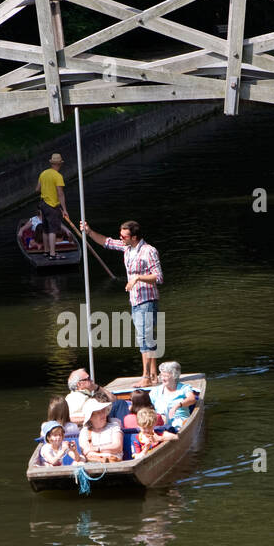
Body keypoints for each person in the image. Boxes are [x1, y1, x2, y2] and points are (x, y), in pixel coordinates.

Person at [79, 219, 164, 385]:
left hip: (147, 299)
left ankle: (146, 377)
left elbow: (158, 277)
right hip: (135, 300)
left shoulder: (148, 251)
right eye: (121, 235)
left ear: (134, 237)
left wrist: (138, 278)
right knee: (147, 338)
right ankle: (153, 375)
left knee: (144, 339)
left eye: (124, 236)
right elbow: (107, 242)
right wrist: (89, 232)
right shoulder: (127, 247)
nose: (121, 238)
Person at [34, 153, 71, 259]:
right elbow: (60, 194)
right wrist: (64, 210)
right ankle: (53, 254)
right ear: (59, 164)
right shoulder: (58, 176)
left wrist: (47, 189)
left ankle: (46, 251)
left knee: (45, 229)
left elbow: (37, 189)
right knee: (52, 230)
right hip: (52, 206)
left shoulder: (43, 173)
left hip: (43, 204)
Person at [150, 360, 198, 432]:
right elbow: (147, 406)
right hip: (160, 424)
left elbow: (192, 399)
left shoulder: (184, 388)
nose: (162, 378)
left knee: (176, 426)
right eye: (161, 375)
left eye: (165, 376)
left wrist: (177, 406)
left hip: (179, 422)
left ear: (174, 376)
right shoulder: (155, 391)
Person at [79, 398, 123, 463]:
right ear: (90, 417)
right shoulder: (84, 431)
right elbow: (86, 452)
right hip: (92, 464)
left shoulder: (114, 426)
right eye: (98, 412)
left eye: (103, 411)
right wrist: (104, 454)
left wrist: (96, 449)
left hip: (114, 464)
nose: (103, 414)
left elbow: (118, 447)